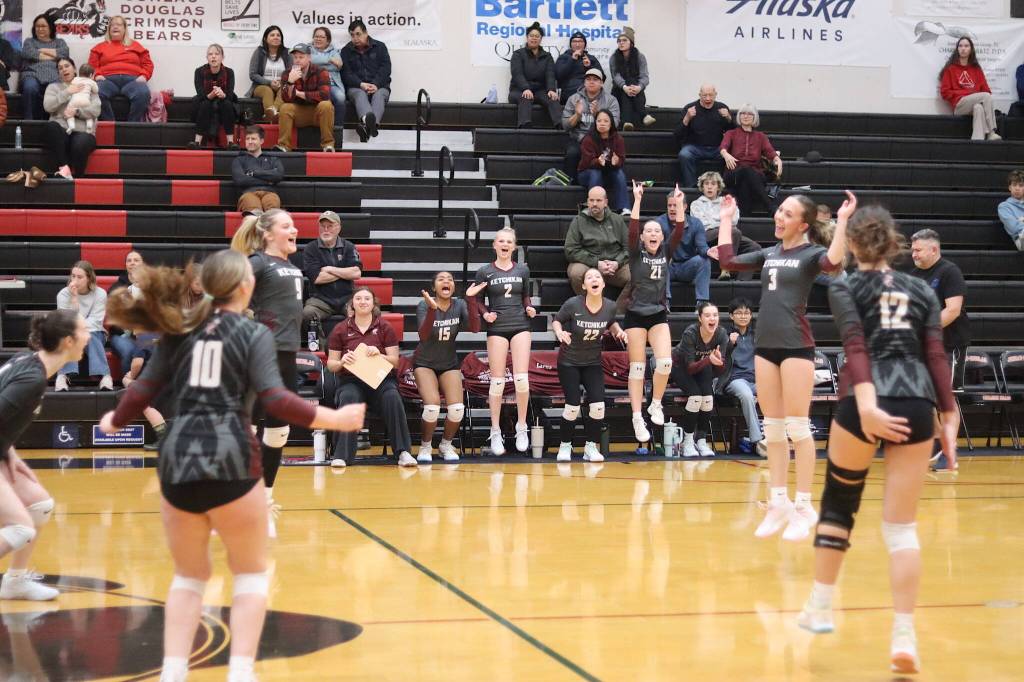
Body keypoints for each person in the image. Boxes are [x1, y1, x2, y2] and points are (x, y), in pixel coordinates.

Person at [99, 249, 365, 682]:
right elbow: (276, 400)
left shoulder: (180, 329)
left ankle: (173, 672)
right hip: (232, 458)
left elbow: (144, 386)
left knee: (188, 577)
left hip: (178, 461)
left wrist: (115, 419)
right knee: (250, 575)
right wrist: (334, 418)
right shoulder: (253, 332)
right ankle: (241, 671)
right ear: (247, 287)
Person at [797, 206, 958, 677]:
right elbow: (934, 353)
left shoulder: (845, 285)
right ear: (894, 243)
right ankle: (904, 636)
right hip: (916, 403)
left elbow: (856, 345)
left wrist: (867, 404)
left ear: (853, 246)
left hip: (865, 400)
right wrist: (947, 413)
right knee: (901, 527)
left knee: (839, 504)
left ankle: (821, 606)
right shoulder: (920, 289)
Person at [714, 191, 855, 541]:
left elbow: (835, 263)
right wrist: (727, 219)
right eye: (779, 210)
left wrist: (843, 222)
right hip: (765, 347)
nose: (779, 216)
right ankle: (779, 501)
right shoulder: (769, 253)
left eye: (787, 213)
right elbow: (728, 261)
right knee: (773, 429)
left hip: (796, 346)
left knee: (797, 426)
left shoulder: (810, 254)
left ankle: (804, 504)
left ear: (803, 225)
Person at [0, 310, 86, 602]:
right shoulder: (32, 380)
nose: (89, 337)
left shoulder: (29, 361)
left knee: (39, 505)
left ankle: (15, 582)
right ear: (67, 341)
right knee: (20, 528)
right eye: (84, 331)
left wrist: (10, 453)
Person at [230, 210, 305, 537]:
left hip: (286, 355)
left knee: (277, 433)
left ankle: (264, 503)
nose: (295, 230)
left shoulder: (293, 267)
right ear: (268, 235)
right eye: (286, 226)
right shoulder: (258, 262)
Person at [623, 181, 683, 443]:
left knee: (665, 362)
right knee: (637, 369)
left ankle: (655, 403)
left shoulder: (667, 251)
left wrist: (679, 204)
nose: (653, 234)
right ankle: (637, 417)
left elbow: (679, 228)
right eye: (649, 231)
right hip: (635, 315)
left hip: (658, 314)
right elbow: (633, 228)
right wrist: (637, 199)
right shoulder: (635, 253)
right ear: (644, 237)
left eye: (657, 230)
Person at [326, 287, 414, 467]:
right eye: (358, 298)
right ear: (352, 303)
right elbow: (331, 365)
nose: (363, 301)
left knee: (392, 396)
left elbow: (395, 362)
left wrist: (380, 355)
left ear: (373, 304)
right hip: (351, 380)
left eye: (367, 298)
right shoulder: (340, 329)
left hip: (380, 380)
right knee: (348, 396)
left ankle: (403, 452)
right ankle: (341, 455)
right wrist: (343, 361)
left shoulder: (384, 327)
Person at [910, 228, 970, 472]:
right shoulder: (913, 275)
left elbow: (953, 310)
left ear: (933, 249)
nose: (913, 254)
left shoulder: (949, 272)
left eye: (918, 250)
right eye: (912, 249)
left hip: (948, 344)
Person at [552, 268, 627, 462]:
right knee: (572, 406)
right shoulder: (573, 303)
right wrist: (559, 332)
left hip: (592, 362)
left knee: (598, 406)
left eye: (598, 277)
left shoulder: (610, 306)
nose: (594, 279)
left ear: (603, 284)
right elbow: (557, 321)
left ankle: (590, 447)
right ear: (584, 286)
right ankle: (565, 446)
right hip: (569, 362)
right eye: (589, 277)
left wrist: (618, 331)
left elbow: (611, 322)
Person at [474, 227, 537, 455]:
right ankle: (495, 431)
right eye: (501, 241)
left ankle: (521, 426)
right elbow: (478, 299)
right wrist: (485, 313)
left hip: (520, 324)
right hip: (497, 327)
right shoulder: (484, 272)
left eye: (509, 241)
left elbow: (525, 295)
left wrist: (529, 307)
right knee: (497, 381)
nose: (505, 244)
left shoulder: (523, 269)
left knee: (521, 379)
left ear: (514, 246)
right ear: (494, 245)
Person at [414, 273, 484, 462]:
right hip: (424, 363)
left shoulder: (459, 304)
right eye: (441, 279)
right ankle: (426, 446)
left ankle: (445, 445)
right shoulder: (423, 305)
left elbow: (475, 328)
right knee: (432, 407)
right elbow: (423, 336)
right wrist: (431, 310)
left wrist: (470, 299)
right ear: (434, 287)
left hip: (448, 363)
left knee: (457, 408)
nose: (446, 281)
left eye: (450, 279)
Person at [671, 301, 730, 457]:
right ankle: (687, 442)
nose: (712, 318)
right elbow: (690, 368)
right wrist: (708, 360)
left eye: (715, 315)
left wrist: (718, 362)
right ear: (700, 318)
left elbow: (719, 370)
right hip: (681, 368)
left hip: (703, 367)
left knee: (708, 399)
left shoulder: (722, 334)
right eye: (708, 315)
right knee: (696, 397)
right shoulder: (690, 333)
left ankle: (701, 441)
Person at [302, 211, 362, 348]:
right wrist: (344, 271)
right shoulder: (311, 249)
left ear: (339, 228)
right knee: (307, 313)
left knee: (367, 310)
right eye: (323, 226)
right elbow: (317, 278)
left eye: (330, 225)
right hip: (320, 299)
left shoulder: (349, 247)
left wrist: (329, 268)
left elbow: (356, 272)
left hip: (347, 297)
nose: (326, 229)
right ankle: (320, 348)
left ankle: (353, 347)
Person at [564, 186, 631, 310]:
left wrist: (617, 262)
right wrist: (596, 263)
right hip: (589, 265)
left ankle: (616, 313)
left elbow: (629, 247)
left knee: (638, 273)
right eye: (591, 200)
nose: (594, 204)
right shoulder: (579, 221)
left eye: (598, 201)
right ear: (588, 201)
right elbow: (570, 250)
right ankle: (590, 309)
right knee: (576, 272)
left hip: (615, 267)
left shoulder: (617, 220)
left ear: (606, 202)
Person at [690, 170, 760, 280]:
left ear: (718, 187)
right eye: (706, 184)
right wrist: (724, 220)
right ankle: (725, 268)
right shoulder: (696, 204)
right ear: (702, 187)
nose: (709, 187)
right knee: (733, 231)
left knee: (755, 248)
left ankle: (742, 282)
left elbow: (735, 219)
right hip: (707, 235)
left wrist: (723, 222)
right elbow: (703, 224)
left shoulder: (726, 201)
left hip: (729, 233)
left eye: (713, 184)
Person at [54, 260, 112, 392]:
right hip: (69, 333)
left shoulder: (100, 293)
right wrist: (74, 301)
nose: (75, 280)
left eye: (80, 277)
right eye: (73, 276)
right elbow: (66, 322)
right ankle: (62, 376)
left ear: (89, 279)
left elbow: (96, 322)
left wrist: (78, 328)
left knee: (90, 335)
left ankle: (105, 376)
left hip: (95, 332)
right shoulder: (63, 294)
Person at [720, 103, 783, 215]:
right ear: (739, 116)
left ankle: (745, 216)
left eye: (750, 114)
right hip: (734, 173)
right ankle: (770, 206)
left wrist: (778, 160)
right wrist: (725, 154)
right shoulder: (731, 133)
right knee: (745, 170)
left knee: (746, 181)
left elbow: (770, 152)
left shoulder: (760, 136)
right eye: (743, 113)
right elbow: (723, 146)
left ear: (755, 118)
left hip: (755, 175)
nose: (746, 116)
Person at [43, 57, 100, 180]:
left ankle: (79, 177)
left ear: (74, 69)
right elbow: (48, 106)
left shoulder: (87, 85)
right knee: (50, 127)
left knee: (80, 143)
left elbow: (96, 110)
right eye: (60, 68)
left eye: (67, 66)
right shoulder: (53, 87)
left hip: (83, 132)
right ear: (58, 73)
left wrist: (77, 112)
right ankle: (64, 168)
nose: (64, 69)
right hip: (61, 131)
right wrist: (67, 92)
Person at [721, 298, 765, 455]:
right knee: (746, 395)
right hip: (734, 380)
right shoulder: (723, 335)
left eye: (747, 312)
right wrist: (729, 344)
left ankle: (779, 438)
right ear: (731, 316)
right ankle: (757, 441)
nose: (743, 316)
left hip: (754, 380)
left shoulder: (757, 336)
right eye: (739, 313)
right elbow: (719, 360)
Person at [88, 15, 153, 122]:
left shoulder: (136, 45)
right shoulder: (99, 47)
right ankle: (110, 124)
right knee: (95, 92)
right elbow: (92, 65)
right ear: (108, 30)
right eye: (112, 25)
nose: (115, 27)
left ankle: (131, 125)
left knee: (144, 93)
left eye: (118, 24)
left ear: (124, 28)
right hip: (107, 80)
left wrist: (144, 76)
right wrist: (97, 75)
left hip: (133, 80)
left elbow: (148, 63)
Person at [274, 43, 335, 153]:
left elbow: (324, 95)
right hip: (299, 114)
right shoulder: (288, 73)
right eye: (295, 57)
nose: (297, 60)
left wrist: (298, 93)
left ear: (309, 58)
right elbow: (285, 98)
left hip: (318, 113)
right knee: (285, 107)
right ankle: (283, 146)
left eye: (301, 57)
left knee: (326, 104)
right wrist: (290, 82)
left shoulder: (321, 71)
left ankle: (328, 145)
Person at [654, 189, 711, 306]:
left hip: (686, 266)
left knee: (704, 260)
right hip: (667, 266)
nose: (672, 208)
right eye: (669, 205)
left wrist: (709, 251)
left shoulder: (695, 223)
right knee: (661, 260)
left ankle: (702, 304)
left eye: (675, 205)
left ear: (684, 207)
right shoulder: (658, 223)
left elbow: (702, 248)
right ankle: (665, 302)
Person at [561, 68, 619, 181]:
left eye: (595, 79)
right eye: (588, 79)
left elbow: (615, 125)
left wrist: (598, 115)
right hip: (578, 138)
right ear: (584, 82)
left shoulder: (611, 100)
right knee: (572, 153)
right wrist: (577, 115)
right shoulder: (574, 99)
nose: (591, 82)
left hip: (601, 140)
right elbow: (565, 126)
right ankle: (570, 184)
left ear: (602, 83)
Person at [939, 36, 1000, 141]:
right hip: (959, 105)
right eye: (960, 46)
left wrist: (974, 97)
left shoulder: (976, 69)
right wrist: (963, 94)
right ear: (957, 49)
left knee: (978, 108)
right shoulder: (951, 69)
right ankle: (991, 131)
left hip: (973, 104)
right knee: (985, 96)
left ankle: (977, 141)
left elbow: (986, 90)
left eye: (966, 46)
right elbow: (944, 93)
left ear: (971, 49)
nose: (963, 48)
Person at [340, 20, 391, 142]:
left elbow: (386, 69)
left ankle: (366, 127)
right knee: (360, 94)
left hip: (380, 86)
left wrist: (376, 84)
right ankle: (370, 125)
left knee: (379, 96)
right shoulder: (346, 51)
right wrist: (361, 84)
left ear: (366, 33)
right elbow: (346, 74)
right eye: (352, 35)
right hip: (356, 87)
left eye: (358, 34)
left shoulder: (380, 47)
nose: (355, 38)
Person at [675, 84, 732, 188]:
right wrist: (687, 118)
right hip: (695, 147)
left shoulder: (722, 107)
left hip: (718, 148)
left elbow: (732, 132)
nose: (708, 98)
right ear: (699, 95)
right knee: (684, 154)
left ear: (715, 95)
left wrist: (728, 118)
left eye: (711, 95)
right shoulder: (690, 108)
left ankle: (726, 185)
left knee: (734, 154)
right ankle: (690, 186)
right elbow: (677, 134)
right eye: (704, 95)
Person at [508, 22, 561, 129]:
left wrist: (551, 89)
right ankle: (525, 125)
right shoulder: (518, 54)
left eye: (537, 36)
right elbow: (517, 74)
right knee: (526, 98)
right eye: (531, 36)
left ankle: (561, 125)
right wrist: (525, 88)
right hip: (519, 90)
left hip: (540, 91)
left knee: (552, 99)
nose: (534, 38)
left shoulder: (547, 56)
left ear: (541, 39)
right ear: (527, 37)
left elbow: (550, 74)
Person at [19, 14, 70, 121]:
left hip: (54, 76)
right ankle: (29, 122)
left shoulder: (59, 42)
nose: (40, 29)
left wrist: (41, 51)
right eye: (37, 26)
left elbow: (64, 54)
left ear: (50, 28)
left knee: (57, 89)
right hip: (32, 75)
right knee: (30, 88)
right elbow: (29, 54)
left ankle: (56, 122)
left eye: (43, 26)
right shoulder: (29, 41)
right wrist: (54, 55)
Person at [578, 109, 629, 212]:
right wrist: (598, 162)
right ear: (595, 123)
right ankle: (594, 206)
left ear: (611, 124)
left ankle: (624, 208)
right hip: (587, 174)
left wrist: (617, 162)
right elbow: (587, 162)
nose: (602, 123)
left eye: (606, 121)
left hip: (608, 173)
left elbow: (621, 159)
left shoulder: (618, 139)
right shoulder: (588, 139)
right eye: (599, 121)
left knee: (619, 173)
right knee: (596, 173)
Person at [191, 44, 238, 150]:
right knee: (205, 104)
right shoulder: (199, 71)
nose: (213, 57)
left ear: (222, 57)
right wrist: (211, 95)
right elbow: (200, 94)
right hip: (205, 103)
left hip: (222, 106)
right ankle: (197, 142)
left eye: (217, 54)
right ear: (206, 57)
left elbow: (230, 95)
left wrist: (223, 95)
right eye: (210, 54)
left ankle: (230, 142)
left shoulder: (229, 72)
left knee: (226, 103)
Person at [609, 27, 655, 131]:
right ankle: (644, 115)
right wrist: (624, 87)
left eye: (624, 40)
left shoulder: (640, 57)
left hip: (636, 92)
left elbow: (645, 77)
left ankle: (627, 121)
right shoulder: (614, 57)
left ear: (631, 42)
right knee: (629, 82)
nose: (621, 43)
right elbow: (616, 76)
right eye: (619, 41)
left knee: (632, 81)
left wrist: (639, 87)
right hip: (618, 92)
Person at [232, 125, 284, 215]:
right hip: (248, 193)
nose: (250, 142)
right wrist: (268, 180)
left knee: (272, 211)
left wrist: (252, 173)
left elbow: (278, 176)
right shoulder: (239, 160)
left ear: (261, 141)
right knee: (254, 211)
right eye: (247, 139)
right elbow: (240, 180)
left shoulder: (273, 159)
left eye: (253, 139)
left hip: (270, 193)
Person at [248, 25, 291, 122]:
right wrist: (269, 82)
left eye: (278, 35)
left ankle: (271, 114)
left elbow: (291, 73)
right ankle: (273, 115)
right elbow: (253, 74)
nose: (276, 37)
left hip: (282, 84)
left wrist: (282, 81)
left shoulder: (287, 53)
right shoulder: (259, 52)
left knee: (285, 89)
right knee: (267, 91)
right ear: (265, 38)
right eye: (272, 35)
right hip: (262, 86)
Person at [310, 26, 346, 129]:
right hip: (314, 84)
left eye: (321, 37)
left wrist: (320, 63)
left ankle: (338, 128)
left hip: (332, 84)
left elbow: (338, 65)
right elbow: (310, 60)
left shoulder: (334, 51)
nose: (318, 39)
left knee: (340, 97)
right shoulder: (308, 49)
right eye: (316, 36)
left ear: (328, 40)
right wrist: (330, 60)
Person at [554, 31, 604, 104]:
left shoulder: (591, 58)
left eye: (580, 41)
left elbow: (602, 77)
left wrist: (589, 67)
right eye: (574, 41)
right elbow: (558, 76)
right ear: (570, 44)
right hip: (569, 91)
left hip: (589, 90)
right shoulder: (563, 57)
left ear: (584, 44)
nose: (577, 44)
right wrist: (572, 60)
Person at [64, 64, 98, 134]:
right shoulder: (91, 82)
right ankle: (89, 126)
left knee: (69, 112)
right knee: (89, 113)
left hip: (75, 100)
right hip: (86, 101)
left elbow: (71, 87)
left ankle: (71, 125)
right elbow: (96, 90)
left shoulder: (75, 79)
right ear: (91, 75)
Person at [997, 169, 1024, 251]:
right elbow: (1014, 228)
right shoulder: (1004, 206)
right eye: (1014, 185)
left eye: (1021, 185)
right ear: (1010, 187)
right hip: (1021, 239)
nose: (1017, 188)